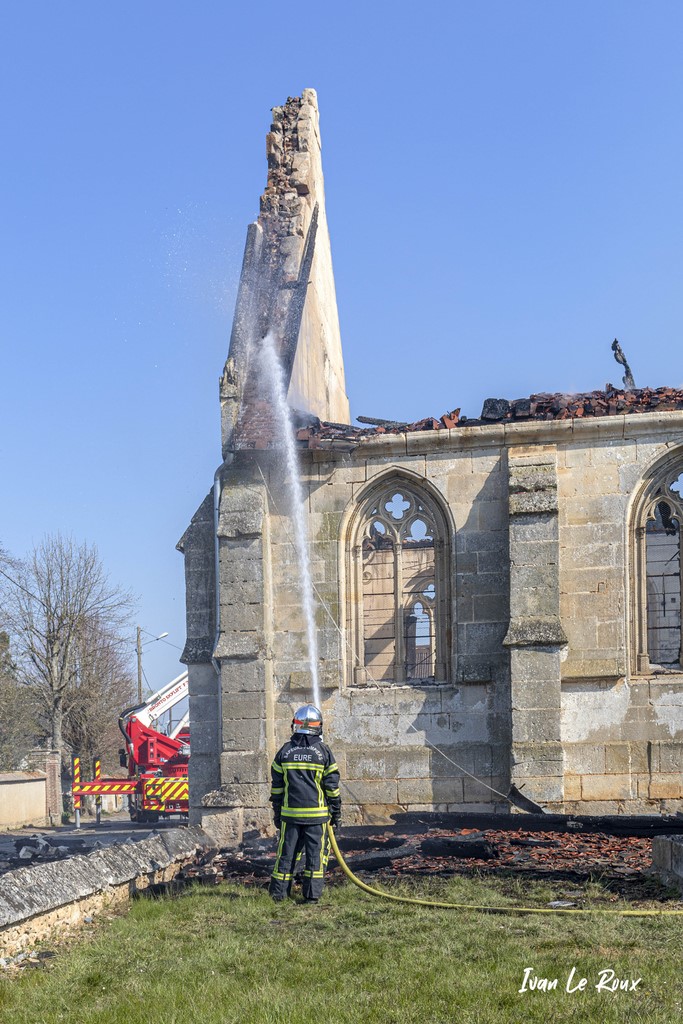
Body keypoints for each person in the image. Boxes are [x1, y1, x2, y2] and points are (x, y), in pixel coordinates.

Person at [268, 704, 341, 903]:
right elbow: (331, 786)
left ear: (295, 725)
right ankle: (311, 896)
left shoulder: (285, 751)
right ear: (319, 726)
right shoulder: (324, 752)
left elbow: (277, 788)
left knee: (286, 854)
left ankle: (279, 894)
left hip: (290, 815)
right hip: (317, 816)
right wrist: (336, 812)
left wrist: (277, 812)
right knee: (315, 856)